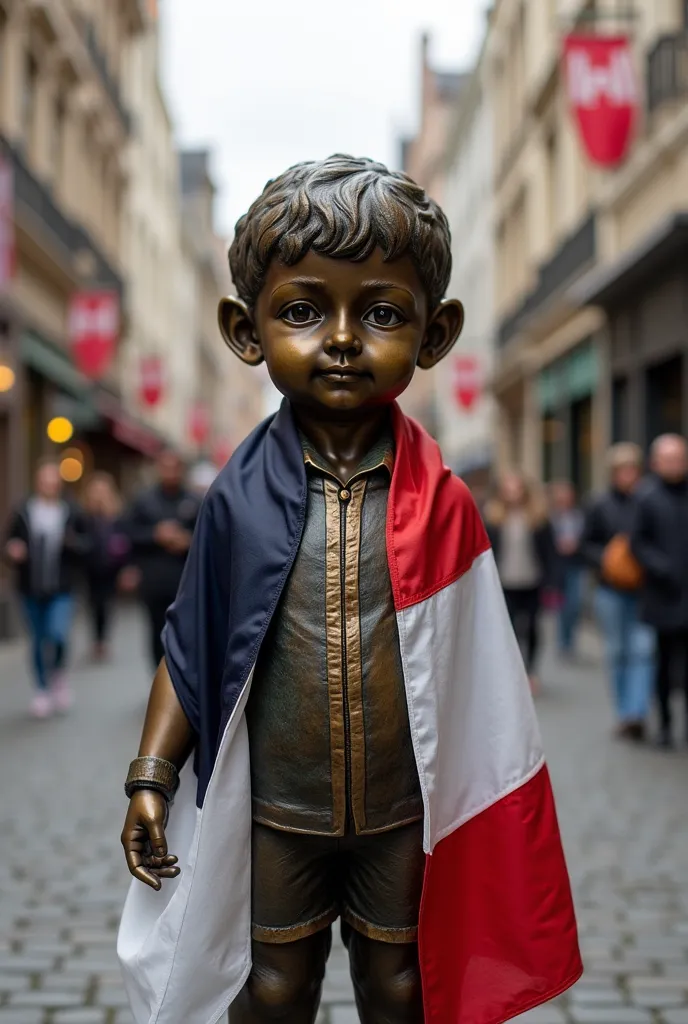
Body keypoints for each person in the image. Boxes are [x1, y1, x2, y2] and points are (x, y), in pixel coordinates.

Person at [117, 155, 580, 1024]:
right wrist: (153, 774)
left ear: (434, 334)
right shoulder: (235, 503)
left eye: (379, 313)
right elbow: (192, 647)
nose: (338, 338)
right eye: (301, 310)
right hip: (281, 806)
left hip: (403, 805)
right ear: (244, 329)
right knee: (275, 988)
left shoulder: (445, 503)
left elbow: (479, 677)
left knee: (402, 985)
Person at [3, 458, 89, 717]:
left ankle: (58, 674)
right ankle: (41, 689)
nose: (49, 485)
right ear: (37, 483)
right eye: (45, 481)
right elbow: (9, 543)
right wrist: (12, 550)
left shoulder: (70, 511)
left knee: (58, 634)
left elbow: (88, 544)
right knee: (38, 640)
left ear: (59, 484)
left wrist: (72, 542)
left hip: (61, 587)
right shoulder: (23, 511)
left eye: (54, 481)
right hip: (30, 586)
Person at [581, 443, 654, 740]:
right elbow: (585, 546)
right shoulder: (598, 504)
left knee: (644, 650)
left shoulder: (649, 501)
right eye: (622, 470)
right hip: (610, 589)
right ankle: (625, 711)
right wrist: (607, 559)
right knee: (618, 650)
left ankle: (636, 712)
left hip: (646, 589)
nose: (628, 475)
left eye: (632, 469)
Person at [630, 434, 688, 747]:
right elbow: (637, 542)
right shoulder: (647, 496)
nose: (676, 464)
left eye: (680, 457)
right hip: (662, 595)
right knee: (664, 664)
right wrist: (661, 568)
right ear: (656, 463)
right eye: (670, 459)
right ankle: (665, 723)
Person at [124, 449, 200, 670]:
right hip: (154, 581)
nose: (170, 473)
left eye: (174, 467)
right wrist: (155, 535)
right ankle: (159, 679)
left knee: (186, 634)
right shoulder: (144, 500)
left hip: (186, 582)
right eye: (165, 467)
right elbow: (128, 534)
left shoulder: (195, 501)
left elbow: (211, 535)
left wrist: (188, 541)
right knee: (157, 633)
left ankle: (182, 683)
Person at [484, 471, 556, 692]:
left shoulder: (538, 517)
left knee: (533, 627)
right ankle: (513, 672)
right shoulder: (493, 517)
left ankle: (530, 671)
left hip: (532, 581)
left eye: (517, 488)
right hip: (504, 583)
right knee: (510, 628)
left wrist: (553, 582)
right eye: (508, 488)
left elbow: (550, 552)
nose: (513, 493)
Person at [82, 472, 130, 662]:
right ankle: (97, 639)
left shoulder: (116, 514)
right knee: (94, 603)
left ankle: (102, 640)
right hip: (91, 567)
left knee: (106, 603)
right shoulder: (86, 515)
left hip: (111, 567)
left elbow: (125, 537)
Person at [549, 480, 586, 659]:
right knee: (562, 605)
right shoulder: (550, 517)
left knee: (574, 603)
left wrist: (576, 545)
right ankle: (563, 641)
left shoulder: (579, 516)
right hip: (558, 566)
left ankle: (570, 639)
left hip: (576, 564)